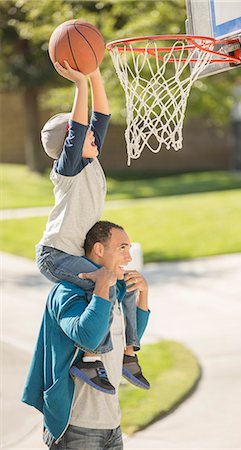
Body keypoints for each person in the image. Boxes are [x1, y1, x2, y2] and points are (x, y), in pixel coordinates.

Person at [36, 60, 149, 393]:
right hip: (56, 255)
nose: (94, 137)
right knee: (104, 282)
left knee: (125, 284)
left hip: (69, 253)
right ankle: (88, 358)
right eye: (84, 135)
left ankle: (129, 353)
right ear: (71, 142)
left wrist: (95, 73)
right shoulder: (67, 169)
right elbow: (81, 126)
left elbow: (101, 116)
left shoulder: (91, 157)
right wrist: (79, 86)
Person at [22, 220, 150, 449]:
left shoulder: (114, 292)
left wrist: (143, 295)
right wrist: (101, 286)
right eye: (122, 248)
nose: (129, 258)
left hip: (112, 425)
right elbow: (87, 336)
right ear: (99, 250)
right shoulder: (67, 292)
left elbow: (130, 339)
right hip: (76, 427)